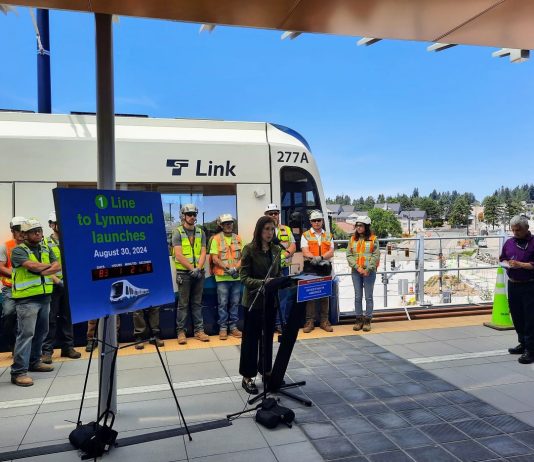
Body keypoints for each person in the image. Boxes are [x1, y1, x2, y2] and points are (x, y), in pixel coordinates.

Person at [10, 219, 60, 386]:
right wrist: (44, 268)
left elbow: (57, 266)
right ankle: (18, 372)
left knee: (41, 332)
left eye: (39, 230)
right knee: (26, 335)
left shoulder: (45, 247)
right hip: (27, 299)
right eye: (33, 231)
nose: (38, 233)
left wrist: (40, 268)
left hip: (45, 297)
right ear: (24, 235)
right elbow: (31, 266)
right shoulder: (18, 251)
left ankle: (34, 362)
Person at [239, 215, 282, 394]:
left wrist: (281, 282)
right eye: (266, 229)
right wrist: (263, 283)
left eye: (272, 229)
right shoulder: (249, 250)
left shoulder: (277, 250)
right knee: (250, 341)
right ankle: (247, 377)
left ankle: (266, 371)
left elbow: (278, 275)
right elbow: (244, 278)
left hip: (269, 301)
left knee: (267, 340)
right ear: (259, 230)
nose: (270, 233)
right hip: (253, 302)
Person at [41, 212, 81, 363]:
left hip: (68, 285)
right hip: (53, 285)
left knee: (67, 317)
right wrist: (57, 280)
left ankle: (67, 348)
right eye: (57, 223)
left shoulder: (70, 241)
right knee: (50, 319)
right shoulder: (45, 243)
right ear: (51, 225)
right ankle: (47, 351)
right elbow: (45, 267)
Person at [173, 203, 209, 344]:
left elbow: (203, 252)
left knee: (197, 303)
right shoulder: (178, 232)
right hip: (184, 274)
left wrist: (198, 268)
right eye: (189, 214)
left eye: (194, 214)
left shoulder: (201, 232)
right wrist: (191, 268)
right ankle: (181, 332)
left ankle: (199, 331)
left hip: (198, 273)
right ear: (183, 216)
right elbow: (178, 254)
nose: (192, 217)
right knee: (183, 304)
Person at [500, 215, 534, 364]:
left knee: (530, 318)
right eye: (513, 230)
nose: (515, 233)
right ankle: (523, 343)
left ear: (527, 228)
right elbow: (502, 259)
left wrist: (521, 264)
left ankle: (531, 350)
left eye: (518, 230)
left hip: (530, 284)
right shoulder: (509, 243)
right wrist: (507, 263)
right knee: (517, 315)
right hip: (513, 284)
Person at [209, 213, 243, 340]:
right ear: (221, 225)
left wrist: (236, 268)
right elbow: (214, 258)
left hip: (236, 277)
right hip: (222, 277)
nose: (229, 225)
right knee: (222, 303)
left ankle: (233, 327)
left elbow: (243, 257)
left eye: (230, 223)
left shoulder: (238, 238)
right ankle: (223, 328)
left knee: (235, 303)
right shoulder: (216, 239)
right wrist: (228, 269)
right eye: (226, 223)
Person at [264, 204, 296, 334]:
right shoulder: (263, 230)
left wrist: (285, 255)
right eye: (270, 213)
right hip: (269, 270)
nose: (273, 216)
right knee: (270, 298)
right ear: (266, 215)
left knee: (283, 298)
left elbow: (293, 245)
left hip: (283, 269)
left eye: (275, 213)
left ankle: (280, 323)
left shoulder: (286, 229)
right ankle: (271, 324)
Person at [301, 210, 334, 333]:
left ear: (322, 221)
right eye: (314, 221)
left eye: (318, 220)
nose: (316, 223)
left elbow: (331, 251)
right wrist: (313, 258)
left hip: (325, 267)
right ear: (311, 222)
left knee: (325, 295)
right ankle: (310, 322)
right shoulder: (305, 235)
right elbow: (305, 251)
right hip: (311, 268)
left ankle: (324, 321)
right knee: (311, 295)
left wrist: (321, 258)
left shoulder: (328, 235)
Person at [346, 216, 380, 332]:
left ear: (366, 226)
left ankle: (368, 320)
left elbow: (376, 256)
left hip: (369, 273)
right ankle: (359, 319)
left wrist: (368, 269)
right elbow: (349, 255)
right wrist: (358, 268)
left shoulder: (373, 239)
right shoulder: (352, 239)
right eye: (357, 225)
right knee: (357, 296)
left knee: (369, 297)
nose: (358, 227)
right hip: (356, 272)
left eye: (361, 225)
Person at [0, 216, 26, 354]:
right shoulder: (6, 246)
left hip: (29, 289)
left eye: (24, 230)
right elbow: (1, 267)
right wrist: (16, 275)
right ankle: (12, 343)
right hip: (10, 289)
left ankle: (25, 347)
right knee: (9, 313)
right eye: (18, 230)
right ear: (13, 231)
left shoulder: (31, 245)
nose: (22, 233)